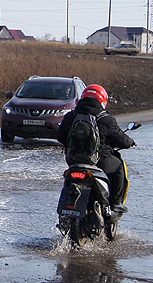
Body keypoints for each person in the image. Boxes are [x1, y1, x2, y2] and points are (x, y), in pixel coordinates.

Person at [56, 84, 135, 212]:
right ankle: (116, 203)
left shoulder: (70, 116)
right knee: (119, 167)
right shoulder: (106, 119)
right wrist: (130, 142)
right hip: (100, 162)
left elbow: (60, 137)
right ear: (102, 101)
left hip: (73, 160)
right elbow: (122, 141)